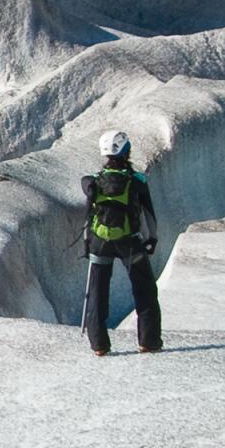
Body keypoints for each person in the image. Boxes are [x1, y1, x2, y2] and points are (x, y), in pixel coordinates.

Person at [82, 129, 161, 356]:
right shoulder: (136, 180)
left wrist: (88, 242)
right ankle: (149, 341)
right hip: (129, 243)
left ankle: (99, 345)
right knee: (144, 289)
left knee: (97, 293)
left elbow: (88, 214)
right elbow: (149, 213)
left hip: (100, 242)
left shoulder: (94, 181)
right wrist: (151, 238)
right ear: (126, 151)